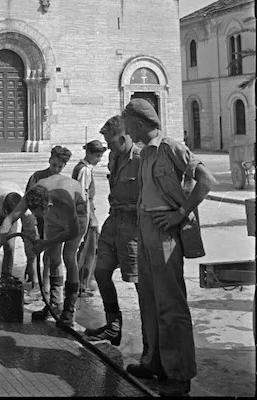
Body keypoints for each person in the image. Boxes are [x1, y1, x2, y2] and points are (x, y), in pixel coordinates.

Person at [121, 98, 216, 397]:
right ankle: (154, 364)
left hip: (165, 233)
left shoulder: (170, 147)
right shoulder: (143, 154)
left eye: (127, 124)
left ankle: (179, 374)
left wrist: (180, 213)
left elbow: (206, 180)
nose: (126, 131)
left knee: (171, 305)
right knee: (149, 301)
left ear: (137, 122)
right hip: (145, 228)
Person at [0, 172, 88, 327]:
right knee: (53, 258)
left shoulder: (65, 198)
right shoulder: (32, 195)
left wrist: (45, 243)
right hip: (53, 219)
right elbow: (9, 219)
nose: (34, 216)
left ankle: (69, 310)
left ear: (47, 206)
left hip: (76, 217)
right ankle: (54, 304)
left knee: (69, 256)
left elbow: (73, 232)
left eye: (36, 213)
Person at [83, 117, 142, 347]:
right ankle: (113, 327)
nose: (107, 147)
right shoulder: (114, 156)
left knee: (138, 282)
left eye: (110, 141)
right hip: (113, 220)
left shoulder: (140, 158)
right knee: (101, 272)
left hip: (133, 226)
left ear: (122, 138)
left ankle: (151, 344)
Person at [25, 145, 72, 309]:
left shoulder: (63, 182)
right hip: (38, 221)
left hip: (55, 224)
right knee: (36, 252)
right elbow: (28, 200)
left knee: (52, 257)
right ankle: (36, 284)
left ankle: (47, 290)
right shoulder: (37, 178)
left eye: (60, 167)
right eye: (54, 165)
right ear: (49, 160)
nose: (56, 169)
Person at [0, 180, 38, 282]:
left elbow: (30, 236)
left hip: (10, 203)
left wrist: (31, 263)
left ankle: (6, 276)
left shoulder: (25, 210)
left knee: (9, 245)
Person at [71, 139, 107, 296]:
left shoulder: (85, 168)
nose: (99, 159)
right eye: (97, 156)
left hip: (85, 210)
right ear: (89, 154)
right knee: (88, 249)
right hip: (85, 211)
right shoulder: (84, 170)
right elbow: (83, 195)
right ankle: (81, 284)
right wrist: (90, 217)